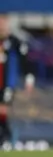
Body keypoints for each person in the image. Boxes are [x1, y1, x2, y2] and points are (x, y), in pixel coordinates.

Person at [0, 14, 34, 145]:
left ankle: (7, 138)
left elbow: (25, 61)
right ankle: (6, 138)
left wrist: (29, 79)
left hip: (7, 84)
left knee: (3, 110)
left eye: (3, 23)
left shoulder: (14, 42)